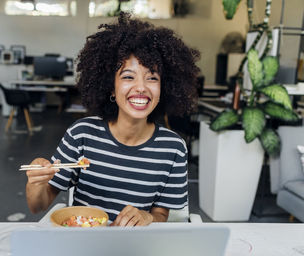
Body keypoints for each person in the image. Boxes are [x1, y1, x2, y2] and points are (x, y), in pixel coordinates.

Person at [26, 12, 200, 226]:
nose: (141, 88)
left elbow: (160, 215)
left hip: (134, 248)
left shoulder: (173, 148)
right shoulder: (82, 134)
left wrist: (147, 217)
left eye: (152, 78)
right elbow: (37, 206)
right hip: (84, 243)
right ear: (110, 86)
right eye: (128, 76)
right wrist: (36, 182)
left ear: (164, 88)